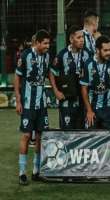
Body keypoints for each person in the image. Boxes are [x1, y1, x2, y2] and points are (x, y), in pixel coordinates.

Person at [14, 29, 50, 185]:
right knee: (27, 136)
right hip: (28, 104)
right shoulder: (26, 55)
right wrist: (18, 101)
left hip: (41, 103)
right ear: (37, 43)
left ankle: (36, 170)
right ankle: (22, 172)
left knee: (41, 136)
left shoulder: (47, 57)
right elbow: (17, 77)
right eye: (45, 43)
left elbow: (49, 74)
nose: (48, 46)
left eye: (49, 43)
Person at [49, 25, 90, 129]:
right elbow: (51, 72)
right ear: (71, 40)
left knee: (81, 134)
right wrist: (56, 91)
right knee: (66, 134)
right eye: (78, 38)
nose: (82, 40)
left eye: (82, 37)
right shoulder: (62, 55)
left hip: (82, 101)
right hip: (66, 101)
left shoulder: (88, 54)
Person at [80, 35, 110, 129]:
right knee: (91, 139)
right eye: (105, 50)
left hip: (108, 108)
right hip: (92, 108)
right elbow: (83, 88)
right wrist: (89, 110)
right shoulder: (88, 64)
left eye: (109, 50)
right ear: (98, 50)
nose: (108, 53)